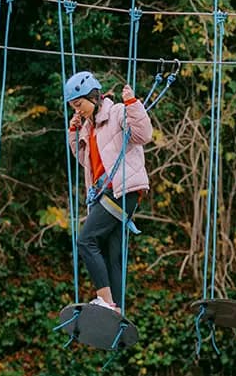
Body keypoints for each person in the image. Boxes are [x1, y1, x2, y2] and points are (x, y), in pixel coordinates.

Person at [65, 71, 153, 315]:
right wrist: (74, 132)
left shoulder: (117, 113)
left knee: (86, 240)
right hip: (106, 194)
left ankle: (105, 300)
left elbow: (144, 135)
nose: (77, 110)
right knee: (112, 253)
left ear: (93, 97)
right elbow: (83, 159)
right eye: (73, 107)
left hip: (121, 191)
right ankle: (117, 311)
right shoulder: (89, 127)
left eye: (79, 104)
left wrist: (133, 104)